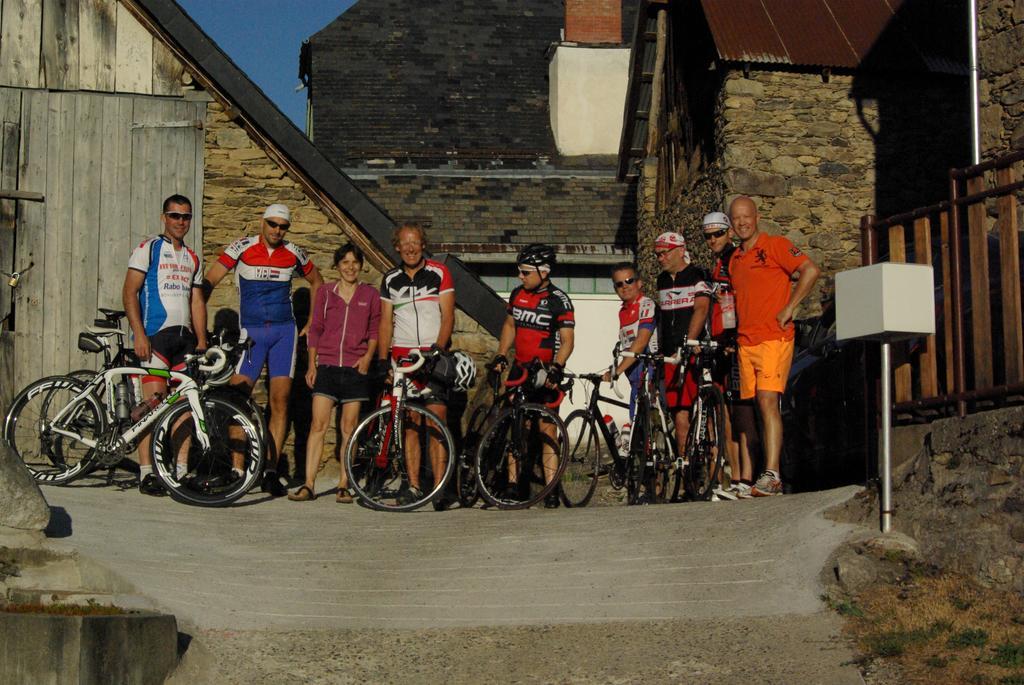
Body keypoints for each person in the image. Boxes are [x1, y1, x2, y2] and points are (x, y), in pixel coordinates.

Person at [203, 204, 323, 497]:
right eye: (272, 224)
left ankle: (270, 471)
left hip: (284, 333)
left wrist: (311, 323)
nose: (277, 231)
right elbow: (208, 281)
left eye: (283, 226)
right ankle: (237, 468)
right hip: (252, 334)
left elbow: (318, 283)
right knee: (237, 398)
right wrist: (197, 320)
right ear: (262, 222)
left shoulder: (294, 252)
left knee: (280, 402)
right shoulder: (242, 248)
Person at [728, 195, 820, 496]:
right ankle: (762, 476)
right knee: (756, 407)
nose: (742, 222)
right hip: (746, 341)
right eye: (736, 218)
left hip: (774, 337)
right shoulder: (735, 259)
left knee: (768, 400)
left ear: (757, 217)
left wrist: (792, 305)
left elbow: (810, 270)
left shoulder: (776, 245)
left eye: (746, 216)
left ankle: (772, 474)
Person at [122, 194, 207, 496]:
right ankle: (146, 472)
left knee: (183, 408)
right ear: (164, 217)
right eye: (175, 215)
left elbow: (197, 300)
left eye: (186, 216)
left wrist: (202, 339)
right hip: (155, 337)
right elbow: (129, 293)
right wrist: (140, 335)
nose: (180, 222)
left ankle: (180, 471)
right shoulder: (148, 249)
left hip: (183, 340)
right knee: (152, 405)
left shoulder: (194, 257)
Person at [288, 243, 379, 503]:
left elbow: (375, 330)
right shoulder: (327, 293)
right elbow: (315, 329)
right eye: (345, 263)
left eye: (354, 262)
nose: (350, 267)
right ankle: (308, 484)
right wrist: (312, 364)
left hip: (354, 369)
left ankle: (343, 484)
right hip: (327, 367)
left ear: (361, 265)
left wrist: (367, 358)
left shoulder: (369, 295)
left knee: (348, 429)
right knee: (318, 425)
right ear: (337, 266)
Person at [490, 243, 575, 509]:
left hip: (545, 372)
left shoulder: (559, 300)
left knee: (546, 428)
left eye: (526, 272)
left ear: (543, 271)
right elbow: (509, 324)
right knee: (519, 426)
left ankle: (550, 487)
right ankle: (515, 485)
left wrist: (557, 367)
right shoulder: (517, 294)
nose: (521, 277)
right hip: (520, 369)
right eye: (520, 272)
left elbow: (568, 340)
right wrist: (502, 354)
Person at [377, 223, 455, 505]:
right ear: (396, 246)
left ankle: (439, 487)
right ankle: (413, 486)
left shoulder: (439, 272)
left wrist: (438, 349)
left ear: (423, 245)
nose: (410, 248)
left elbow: (448, 316)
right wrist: (383, 359)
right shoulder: (390, 279)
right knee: (409, 423)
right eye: (404, 243)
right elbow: (386, 321)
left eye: (416, 242)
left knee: (437, 421)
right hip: (403, 359)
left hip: (432, 356)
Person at [702, 211, 759, 499]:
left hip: (736, 341)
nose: (713, 239)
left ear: (729, 233)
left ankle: (748, 477)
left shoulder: (734, 259)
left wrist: (733, 335)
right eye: (708, 236)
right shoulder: (716, 264)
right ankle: (737, 477)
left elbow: (738, 299)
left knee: (742, 410)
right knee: (726, 412)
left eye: (718, 234)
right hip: (721, 341)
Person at [655, 230, 711, 473]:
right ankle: (685, 465)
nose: (660, 258)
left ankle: (714, 472)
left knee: (706, 412)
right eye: (657, 254)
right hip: (670, 355)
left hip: (693, 349)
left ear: (680, 250)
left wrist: (691, 339)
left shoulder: (697, 274)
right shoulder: (661, 281)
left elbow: (701, 308)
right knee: (679, 411)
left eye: (664, 253)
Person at [602, 262, 658, 451]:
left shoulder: (646, 304)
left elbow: (640, 343)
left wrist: (617, 371)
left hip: (650, 373)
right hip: (635, 379)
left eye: (629, 281)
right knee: (638, 432)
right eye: (619, 284)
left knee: (647, 432)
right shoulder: (623, 311)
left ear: (639, 283)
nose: (624, 286)